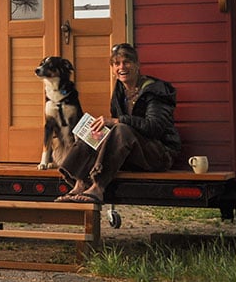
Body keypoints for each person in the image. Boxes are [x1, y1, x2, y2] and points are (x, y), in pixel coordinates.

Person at [55, 42, 181, 203]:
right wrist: (96, 129)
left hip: (160, 155)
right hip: (132, 155)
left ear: (137, 65)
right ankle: (80, 182)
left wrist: (117, 120)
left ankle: (98, 187)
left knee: (121, 128)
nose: (122, 67)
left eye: (126, 62)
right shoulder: (120, 91)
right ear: (113, 68)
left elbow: (154, 128)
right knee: (96, 129)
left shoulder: (155, 91)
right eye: (116, 63)